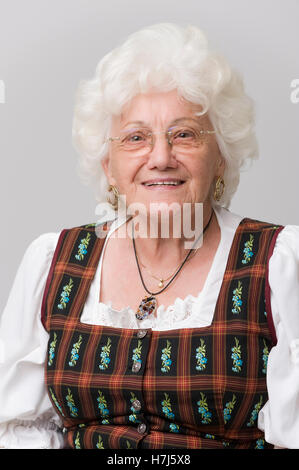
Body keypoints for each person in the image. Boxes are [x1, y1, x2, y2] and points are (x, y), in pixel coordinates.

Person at [0, 22, 299, 450]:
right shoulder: (54, 262)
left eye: (184, 134)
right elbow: (20, 431)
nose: (160, 158)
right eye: (136, 138)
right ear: (109, 166)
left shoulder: (278, 263)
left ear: (221, 158)